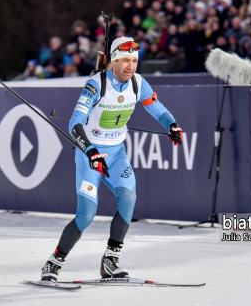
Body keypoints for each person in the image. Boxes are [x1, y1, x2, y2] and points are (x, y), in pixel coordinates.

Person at [40, 36, 183, 282]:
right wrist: (91, 152)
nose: (131, 66)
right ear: (114, 60)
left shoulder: (138, 83)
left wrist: (172, 125)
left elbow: (156, 108)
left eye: (135, 61)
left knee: (128, 197)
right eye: (126, 60)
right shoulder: (96, 85)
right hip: (90, 155)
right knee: (87, 213)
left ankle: (110, 261)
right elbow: (75, 124)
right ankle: (54, 262)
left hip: (116, 154)